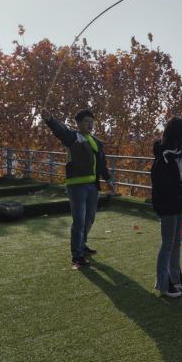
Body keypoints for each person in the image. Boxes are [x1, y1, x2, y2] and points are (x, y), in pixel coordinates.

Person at [41, 108, 110, 268]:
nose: (90, 124)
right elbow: (61, 131)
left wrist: (108, 179)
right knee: (79, 221)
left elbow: (101, 163)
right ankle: (77, 256)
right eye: (87, 121)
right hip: (76, 185)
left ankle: (82, 245)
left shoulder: (96, 142)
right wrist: (50, 120)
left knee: (89, 219)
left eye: (92, 122)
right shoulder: (73, 137)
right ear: (78, 123)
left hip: (92, 186)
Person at [150, 117, 182, 298]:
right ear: (178, 135)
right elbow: (161, 184)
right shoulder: (164, 155)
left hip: (179, 202)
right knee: (167, 243)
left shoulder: (179, 153)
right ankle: (163, 283)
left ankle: (176, 277)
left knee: (176, 243)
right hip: (167, 204)